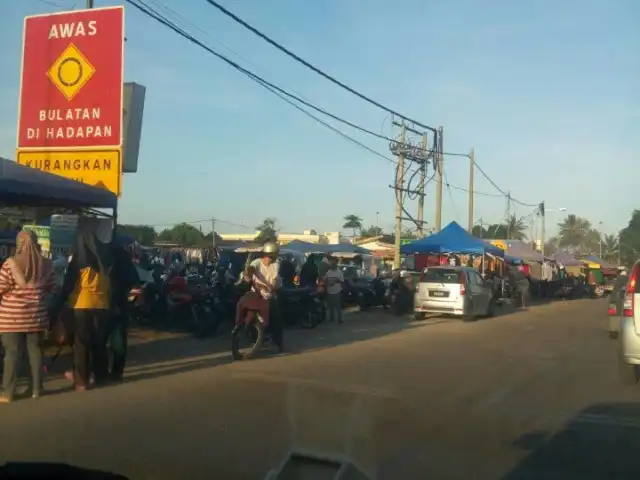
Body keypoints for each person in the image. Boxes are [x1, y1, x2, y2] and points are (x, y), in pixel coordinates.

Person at [0, 231, 55, 402]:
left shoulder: (10, 264)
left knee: (12, 353)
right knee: (35, 351)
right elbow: (51, 287)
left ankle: (8, 392)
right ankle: (36, 389)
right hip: (36, 316)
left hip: (11, 317)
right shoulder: (46, 264)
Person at [57, 225, 114, 391]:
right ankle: (101, 375)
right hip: (102, 305)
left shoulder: (78, 261)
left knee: (81, 344)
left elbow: (68, 286)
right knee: (98, 342)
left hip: (81, 305)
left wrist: (60, 303)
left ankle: (81, 381)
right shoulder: (105, 259)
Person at [235, 242, 283, 352]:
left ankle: (278, 343)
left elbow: (275, 281)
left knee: (277, 319)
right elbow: (251, 270)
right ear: (270, 254)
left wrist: (271, 287)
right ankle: (241, 329)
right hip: (255, 293)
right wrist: (248, 275)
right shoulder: (256, 262)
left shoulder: (276, 264)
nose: (276, 257)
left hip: (270, 295)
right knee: (242, 305)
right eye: (275, 254)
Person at [107, 243, 139, 381]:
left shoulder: (105, 261)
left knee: (101, 339)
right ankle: (117, 371)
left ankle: (101, 370)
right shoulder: (126, 263)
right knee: (119, 340)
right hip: (121, 305)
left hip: (104, 305)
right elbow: (135, 283)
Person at [323, 257, 344, 323]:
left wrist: (336, 281)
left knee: (338, 306)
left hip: (337, 291)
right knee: (330, 306)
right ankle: (331, 318)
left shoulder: (339, 272)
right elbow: (325, 279)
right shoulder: (328, 272)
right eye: (331, 263)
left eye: (333, 263)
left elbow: (342, 281)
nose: (332, 264)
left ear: (336, 264)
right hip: (329, 291)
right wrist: (327, 283)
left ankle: (339, 319)